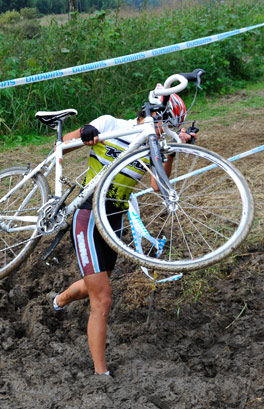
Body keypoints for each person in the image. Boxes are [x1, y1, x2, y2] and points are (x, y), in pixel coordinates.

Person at [49, 92, 196, 376]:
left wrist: (172, 149)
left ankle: (61, 299)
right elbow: (61, 146)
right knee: (102, 298)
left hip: (114, 220)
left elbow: (157, 185)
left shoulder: (149, 145)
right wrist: (84, 134)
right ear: (154, 117)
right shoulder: (110, 124)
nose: (164, 132)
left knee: (97, 284)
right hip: (88, 215)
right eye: (166, 126)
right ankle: (100, 374)